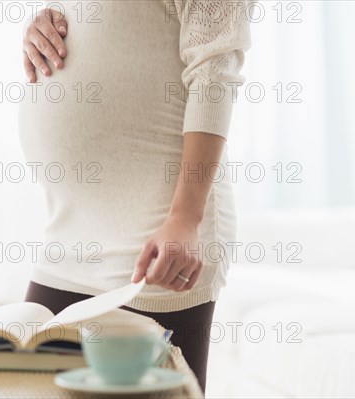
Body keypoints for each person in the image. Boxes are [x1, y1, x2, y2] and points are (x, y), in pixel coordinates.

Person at [18, 0, 252, 393]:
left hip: (154, 231)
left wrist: (186, 219)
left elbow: (214, 75)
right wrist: (40, 28)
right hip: (67, 237)